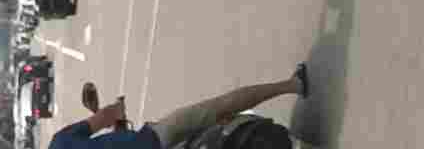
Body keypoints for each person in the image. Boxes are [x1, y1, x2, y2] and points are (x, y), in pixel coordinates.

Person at [53, 67, 308, 149]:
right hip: (153, 141)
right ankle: (293, 85)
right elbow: (105, 117)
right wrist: (117, 111)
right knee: (219, 106)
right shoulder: (60, 142)